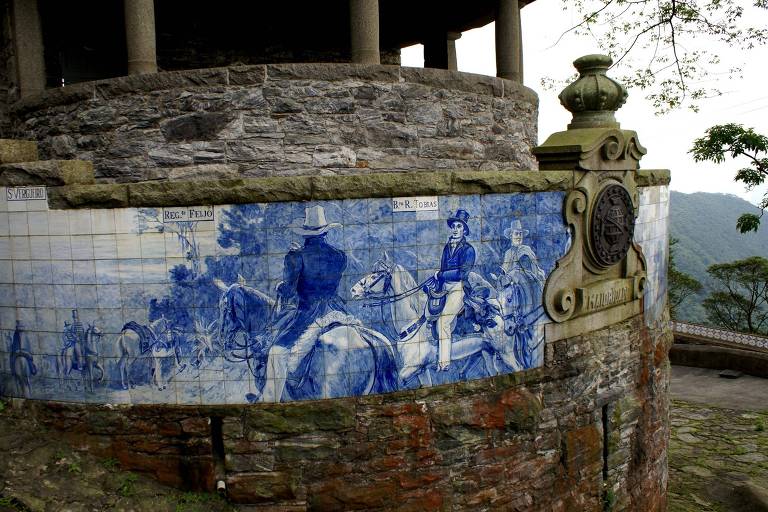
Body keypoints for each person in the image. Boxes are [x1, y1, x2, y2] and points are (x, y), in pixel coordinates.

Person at [260, 205, 347, 402]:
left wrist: (285, 275)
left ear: (305, 233)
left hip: (309, 313)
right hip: (336, 309)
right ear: (325, 232)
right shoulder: (340, 256)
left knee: (276, 352)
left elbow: (290, 291)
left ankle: (270, 400)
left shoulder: (295, 256)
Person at [432, 209, 476, 371]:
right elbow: (443, 268)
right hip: (444, 287)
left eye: (459, 226)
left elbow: (462, 273)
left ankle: (444, 363)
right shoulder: (447, 247)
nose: (456, 229)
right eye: (454, 226)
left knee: (444, 322)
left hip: (459, 288)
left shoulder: (468, 249)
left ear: (464, 230)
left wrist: (441, 274)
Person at [500, 219, 545, 288]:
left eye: (520, 234)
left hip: (528, 284)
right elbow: (505, 270)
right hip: (513, 285)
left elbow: (533, 270)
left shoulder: (526, 249)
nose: (519, 236)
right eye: (516, 233)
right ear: (511, 235)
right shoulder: (508, 253)